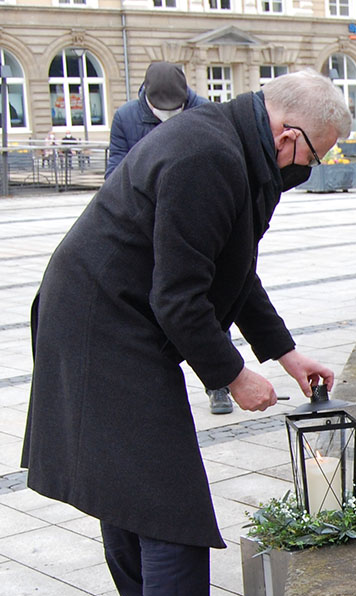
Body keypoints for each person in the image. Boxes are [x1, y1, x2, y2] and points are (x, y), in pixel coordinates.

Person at [22, 70, 351, 596]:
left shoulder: (240, 151)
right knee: (165, 495)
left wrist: (283, 353)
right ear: (289, 136)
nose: (311, 170)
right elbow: (178, 297)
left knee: (132, 483)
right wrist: (232, 374)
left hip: (109, 316)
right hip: (101, 324)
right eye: (316, 155)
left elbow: (233, 271)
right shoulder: (209, 156)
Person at [106, 64, 234, 415]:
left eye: (174, 110)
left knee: (210, 303)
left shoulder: (205, 111)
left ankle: (218, 384)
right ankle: (148, 390)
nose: (167, 116)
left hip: (197, 220)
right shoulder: (127, 117)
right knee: (159, 305)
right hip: (149, 222)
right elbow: (115, 172)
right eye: (160, 111)